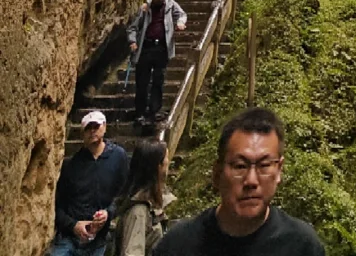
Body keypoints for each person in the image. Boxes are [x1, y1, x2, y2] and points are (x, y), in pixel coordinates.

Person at [155, 108, 323, 254]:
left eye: (264, 165)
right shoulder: (177, 246)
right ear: (217, 173)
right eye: (240, 166)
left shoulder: (302, 246)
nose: (251, 180)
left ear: (279, 170)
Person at [51, 109, 129, 256]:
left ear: (104, 127)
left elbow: (124, 193)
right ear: (82, 134)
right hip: (70, 237)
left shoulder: (118, 157)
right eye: (88, 128)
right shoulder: (72, 165)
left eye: (96, 126)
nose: (93, 131)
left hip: (100, 238)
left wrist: (108, 213)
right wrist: (73, 225)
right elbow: (58, 205)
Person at [127, 0, 188, 129]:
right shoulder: (145, 8)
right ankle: (140, 113)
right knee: (142, 81)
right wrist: (133, 41)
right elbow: (133, 27)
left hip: (162, 48)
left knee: (158, 80)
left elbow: (182, 15)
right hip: (146, 47)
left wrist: (180, 23)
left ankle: (154, 111)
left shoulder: (171, 5)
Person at [111, 139, 173, 255]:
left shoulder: (151, 205)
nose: (168, 162)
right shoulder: (138, 212)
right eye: (166, 159)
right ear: (158, 166)